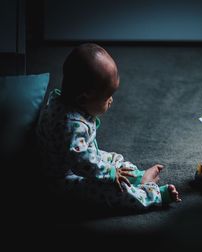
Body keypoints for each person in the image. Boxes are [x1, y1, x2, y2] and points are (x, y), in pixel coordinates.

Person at [36, 43, 181, 209]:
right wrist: (111, 174)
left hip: (79, 160)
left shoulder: (60, 100)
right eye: (107, 97)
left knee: (114, 159)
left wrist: (111, 169)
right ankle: (152, 194)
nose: (111, 100)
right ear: (83, 99)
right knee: (112, 192)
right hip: (63, 180)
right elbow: (82, 163)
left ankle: (137, 177)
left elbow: (84, 155)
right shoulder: (72, 125)